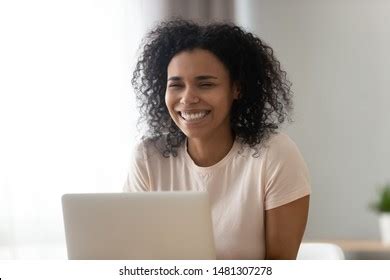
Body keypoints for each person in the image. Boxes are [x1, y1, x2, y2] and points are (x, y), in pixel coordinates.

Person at [123, 19, 311, 260]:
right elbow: (136, 257)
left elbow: (279, 267)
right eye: (176, 85)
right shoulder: (148, 157)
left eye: (205, 84)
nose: (188, 98)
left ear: (237, 89)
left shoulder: (274, 154)